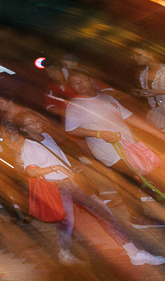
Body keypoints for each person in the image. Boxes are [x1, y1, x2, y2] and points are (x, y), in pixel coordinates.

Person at [16, 111, 164, 266]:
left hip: (72, 183)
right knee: (67, 223)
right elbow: (31, 171)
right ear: (23, 129)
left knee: (103, 213)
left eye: (37, 119)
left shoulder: (46, 136)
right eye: (30, 123)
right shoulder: (28, 147)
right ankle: (64, 253)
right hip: (58, 188)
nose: (37, 123)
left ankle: (134, 254)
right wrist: (56, 167)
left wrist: (72, 169)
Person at [64, 70, 165, 228]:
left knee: (136, 179)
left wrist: (157, 133)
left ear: (91, 80)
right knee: (140, 180)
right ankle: (138, 217)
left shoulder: (106, 97)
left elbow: (129, 117)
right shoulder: (75, 106)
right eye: (75, 83)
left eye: (82, 80)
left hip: (128, 146)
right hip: (110, 152)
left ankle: (137, 216)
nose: (79, 85)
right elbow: (70, 129)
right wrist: (98, 133)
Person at [130, 43, 165, 131]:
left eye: (138, 54)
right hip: (157, 116)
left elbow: (157, 92)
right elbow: (152, 97)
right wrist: (140, 93)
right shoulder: (143, 74)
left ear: (151, 54)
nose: (134, 57)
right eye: (133, 55)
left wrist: (157, 92)